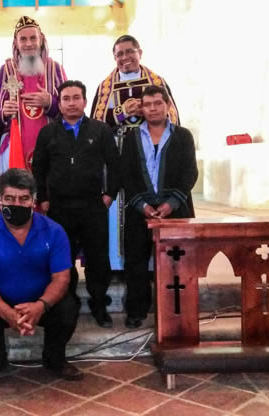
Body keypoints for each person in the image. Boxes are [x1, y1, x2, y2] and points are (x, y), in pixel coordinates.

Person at [0, 168, 82, 387]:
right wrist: (8, 313)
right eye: (10, 198)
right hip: (2, 301)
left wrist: (40, 306)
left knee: (68, 308)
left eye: (23, 199)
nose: (16, 204)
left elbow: (62, 278)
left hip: (42, 300)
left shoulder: (54, 231)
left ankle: (55, 360)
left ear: (34, 201)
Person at [31, 80, 121, 328]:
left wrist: (109, 195)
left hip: (93, 206)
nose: (71, 103)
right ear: (59, 104)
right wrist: (43, 199)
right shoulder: (48, 133)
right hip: (59, 208)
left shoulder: (101, 130)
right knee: (63, 259)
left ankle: (99, 304)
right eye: (66, 99)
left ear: (84, 101)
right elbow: (38, 168)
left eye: (76, 98)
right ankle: (66, 303)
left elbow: (115, 165)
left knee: (98, 259)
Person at [90, 34, 180, 274]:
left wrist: (146, 112)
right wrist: (121, 112)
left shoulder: (156, 82)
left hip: (151, 155)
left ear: (140, 52)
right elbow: (96, 124)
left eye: (129, 51)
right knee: (120, 207)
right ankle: (117, 263)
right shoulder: (106, 87)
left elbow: (172, 118)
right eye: (119, 54)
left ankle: (154, 265)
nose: (125, 57)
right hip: (118, 154)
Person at [0, 15, 67, 226]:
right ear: (16, 43)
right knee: (15, 196)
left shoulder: (54, 68)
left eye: (33, 38)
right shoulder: (7, 70)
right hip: (13, 148)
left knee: (47, 201)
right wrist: (3, 112)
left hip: (50, 149)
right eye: (23, 39)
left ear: (41, 40)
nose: (28, 44)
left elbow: (71, 108)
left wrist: (50, 102)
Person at [120, 86, 196, 329]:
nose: (153, 108)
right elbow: (126, 174)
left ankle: (178, 311)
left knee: (178, 263)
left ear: (168, 105)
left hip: (176, 210)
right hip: (140, 211)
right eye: (147, 104)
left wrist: (170, 204)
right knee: (136, 262)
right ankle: (136, 311)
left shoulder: (183, 136)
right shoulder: (131, 138)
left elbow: (189, 173)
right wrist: (141, 204)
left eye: (157, 103)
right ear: (141, 108)